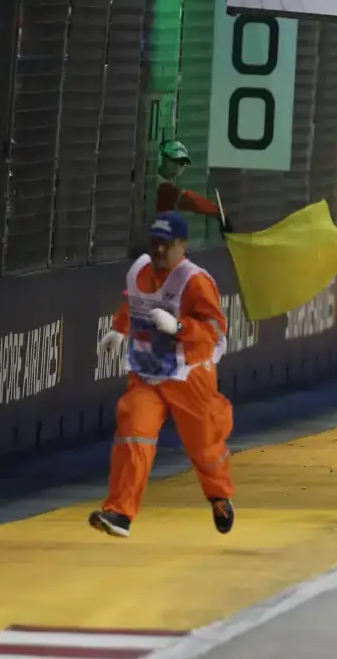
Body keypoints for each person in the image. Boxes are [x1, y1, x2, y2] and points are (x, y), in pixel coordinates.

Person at [90, 212, 236, 538]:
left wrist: (180, 327)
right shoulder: (139, 271)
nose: (158, 250)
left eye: (166, 245)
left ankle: (219, 496)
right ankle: (120, 513)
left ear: (182, 245)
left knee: (205, 446)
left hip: (189, 375)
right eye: (155, 243)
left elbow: (215, 329)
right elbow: (135, 305)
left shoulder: (196, 281)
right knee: (133, 436)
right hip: (147, 374)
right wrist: (119, 330)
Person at [154, 140, 224, 226]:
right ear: (161, 158)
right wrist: (216, 210)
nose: (177, 167)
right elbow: (188, 199)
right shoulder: (158, 183)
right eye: (174, 160)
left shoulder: (167, 184)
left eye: (182, 164)